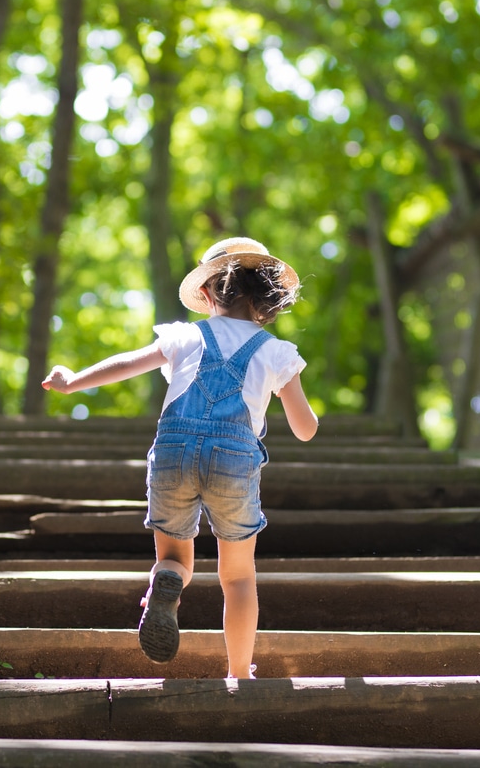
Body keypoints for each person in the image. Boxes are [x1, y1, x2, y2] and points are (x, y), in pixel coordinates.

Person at [42, 237, 317, 679]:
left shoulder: (185, 335)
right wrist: (290, 394)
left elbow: (127, 362)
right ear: (268, 301)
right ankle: (239, 672)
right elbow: (305, 430)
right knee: (238, 576)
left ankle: (168, 580)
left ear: (206, 296)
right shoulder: (276, 352)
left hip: (173, 453)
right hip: (234, 461)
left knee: (174, 557)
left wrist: (72, 382)